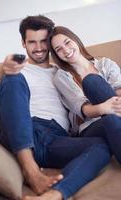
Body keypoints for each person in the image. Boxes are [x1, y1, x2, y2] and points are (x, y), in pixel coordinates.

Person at [0, 16, 110, 200]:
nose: (39, 47)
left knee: (101, 146)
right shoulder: (19, 69)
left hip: (55, 139)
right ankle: (30, 170)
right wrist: (6, 68)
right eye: (32, 42)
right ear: (23, 43)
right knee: (13, 78)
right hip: (25, 130)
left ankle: (53, 195)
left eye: (43, 41)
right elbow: (7, 81)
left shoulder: (63, 74)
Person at [49, 25, 121, 164]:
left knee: (111, 118)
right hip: (90, 127)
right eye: (58, 49)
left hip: (116, 117)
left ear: (75, 40)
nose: (65, 50)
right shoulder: (62, 76)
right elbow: (84, 109)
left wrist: (114, 107)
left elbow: (119, 88)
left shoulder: (105, 64)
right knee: (91, 82)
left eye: (67, 42)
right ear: (56, 55)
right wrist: (105, 108)